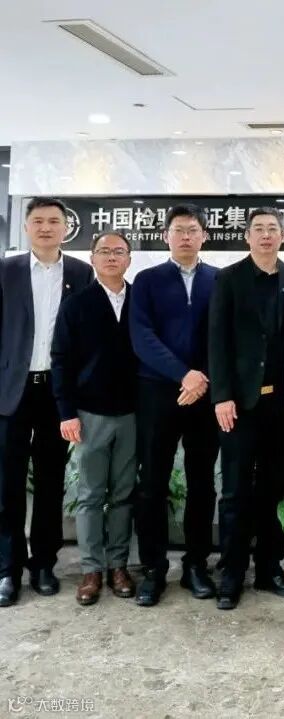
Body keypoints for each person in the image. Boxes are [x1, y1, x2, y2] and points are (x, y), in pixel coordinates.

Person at [0, 197, 93, 608]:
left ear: (65, 228)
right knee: (7, 484)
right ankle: (7, 568)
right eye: (37, 220)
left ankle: (43, 564)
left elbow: (84, 337)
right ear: (26, 227)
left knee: (51, 481)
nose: (45, 227)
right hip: (12, 391)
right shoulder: (6, 271)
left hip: (57, 392)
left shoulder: (80, 273)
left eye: (54, 221)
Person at [208, 207, 284, 610]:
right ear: (247, 236)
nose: (266, 235)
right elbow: (217, 340)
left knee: (273, 489)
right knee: (234, 491)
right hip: (238, 406)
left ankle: (268, 569)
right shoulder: (228, 279)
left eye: (272, 229)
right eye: (258, 229)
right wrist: (221, 395)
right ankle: (231, 573)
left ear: (283, 236)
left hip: (279, 405)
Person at [130, 203, 219, 607]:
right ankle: (153, 568)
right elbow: (142, 337)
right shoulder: (147, 280)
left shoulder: (219, 280)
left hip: (205, 395)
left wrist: (203, 378)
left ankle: (196, 565)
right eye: (178, 229)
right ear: (166, 236)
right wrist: (184, 375)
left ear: (204, 236)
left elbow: (224, 336)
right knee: (152, 483)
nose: (185, 236)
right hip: (157, 393)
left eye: (193, 230)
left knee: (202, 483)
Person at [51, 231, 137, 605]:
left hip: (132, 414)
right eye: (104, 251)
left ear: (129, 259)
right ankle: (91, 569)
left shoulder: (140, 300)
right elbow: (61, 360)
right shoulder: (77, 304)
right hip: (89, 414)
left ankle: (118, 566)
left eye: (119, 251)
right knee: (89, 495)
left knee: (123, 494)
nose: (111, 257)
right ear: (93, 258)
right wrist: (66, 412)